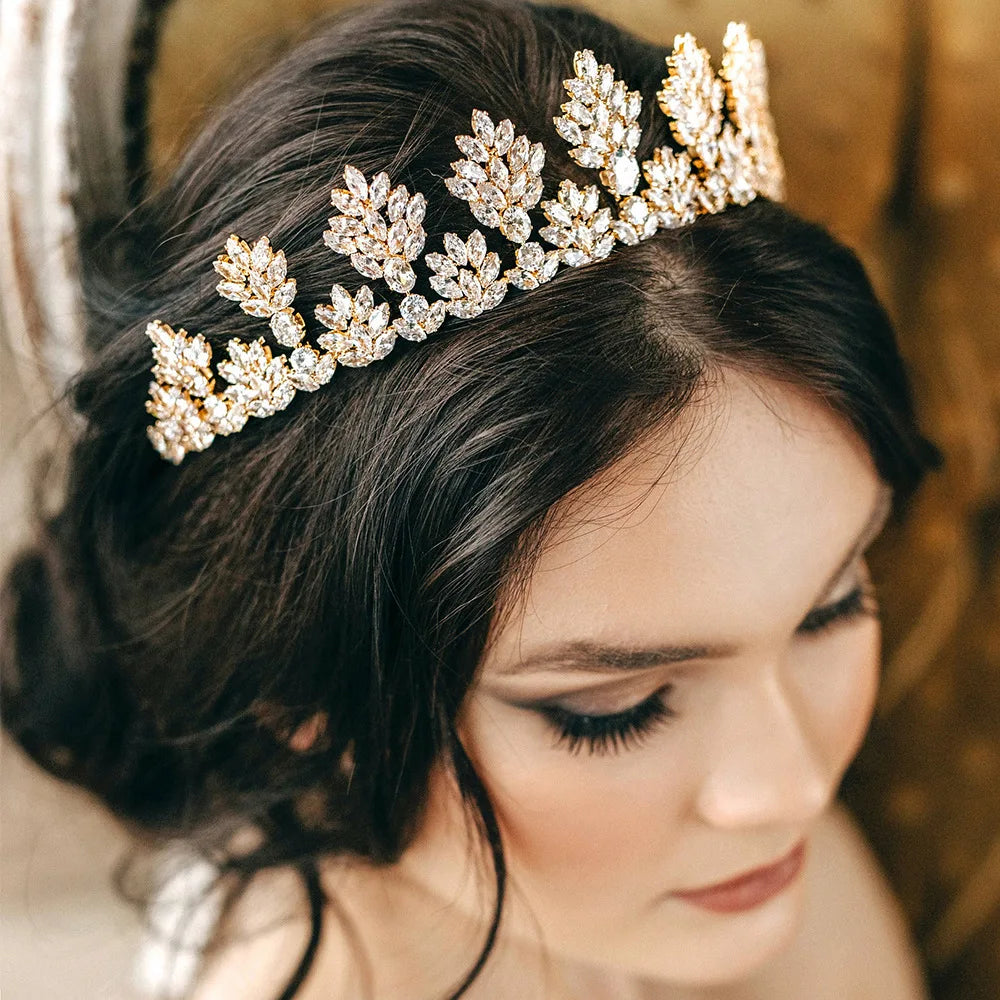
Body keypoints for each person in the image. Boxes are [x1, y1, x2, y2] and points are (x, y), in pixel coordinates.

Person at [0, 0, 945, 997]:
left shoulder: (747, 860)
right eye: (612, 711)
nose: (792, 783)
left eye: (832, 603)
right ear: (301, 697)